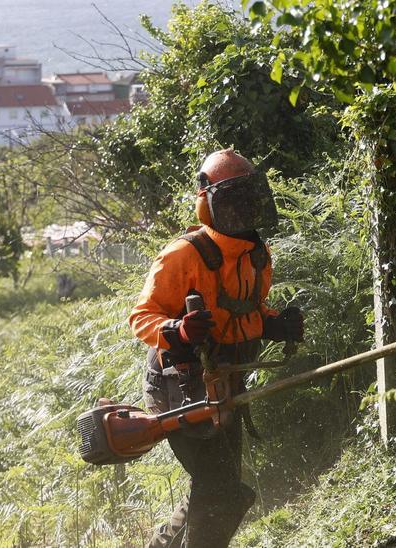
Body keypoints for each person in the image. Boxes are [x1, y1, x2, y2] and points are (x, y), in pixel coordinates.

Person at [129, 149, 304, 548]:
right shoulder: (183, 254)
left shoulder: (257, 256)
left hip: (227, 381)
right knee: (221, 489)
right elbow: (142, 317)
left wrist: (277, 324)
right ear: (209, 202)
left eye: (247, 200)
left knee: (215, 487)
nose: (242, 210)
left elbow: (249, 311)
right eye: (232, 201)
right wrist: (178, 329)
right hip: (180, 383)